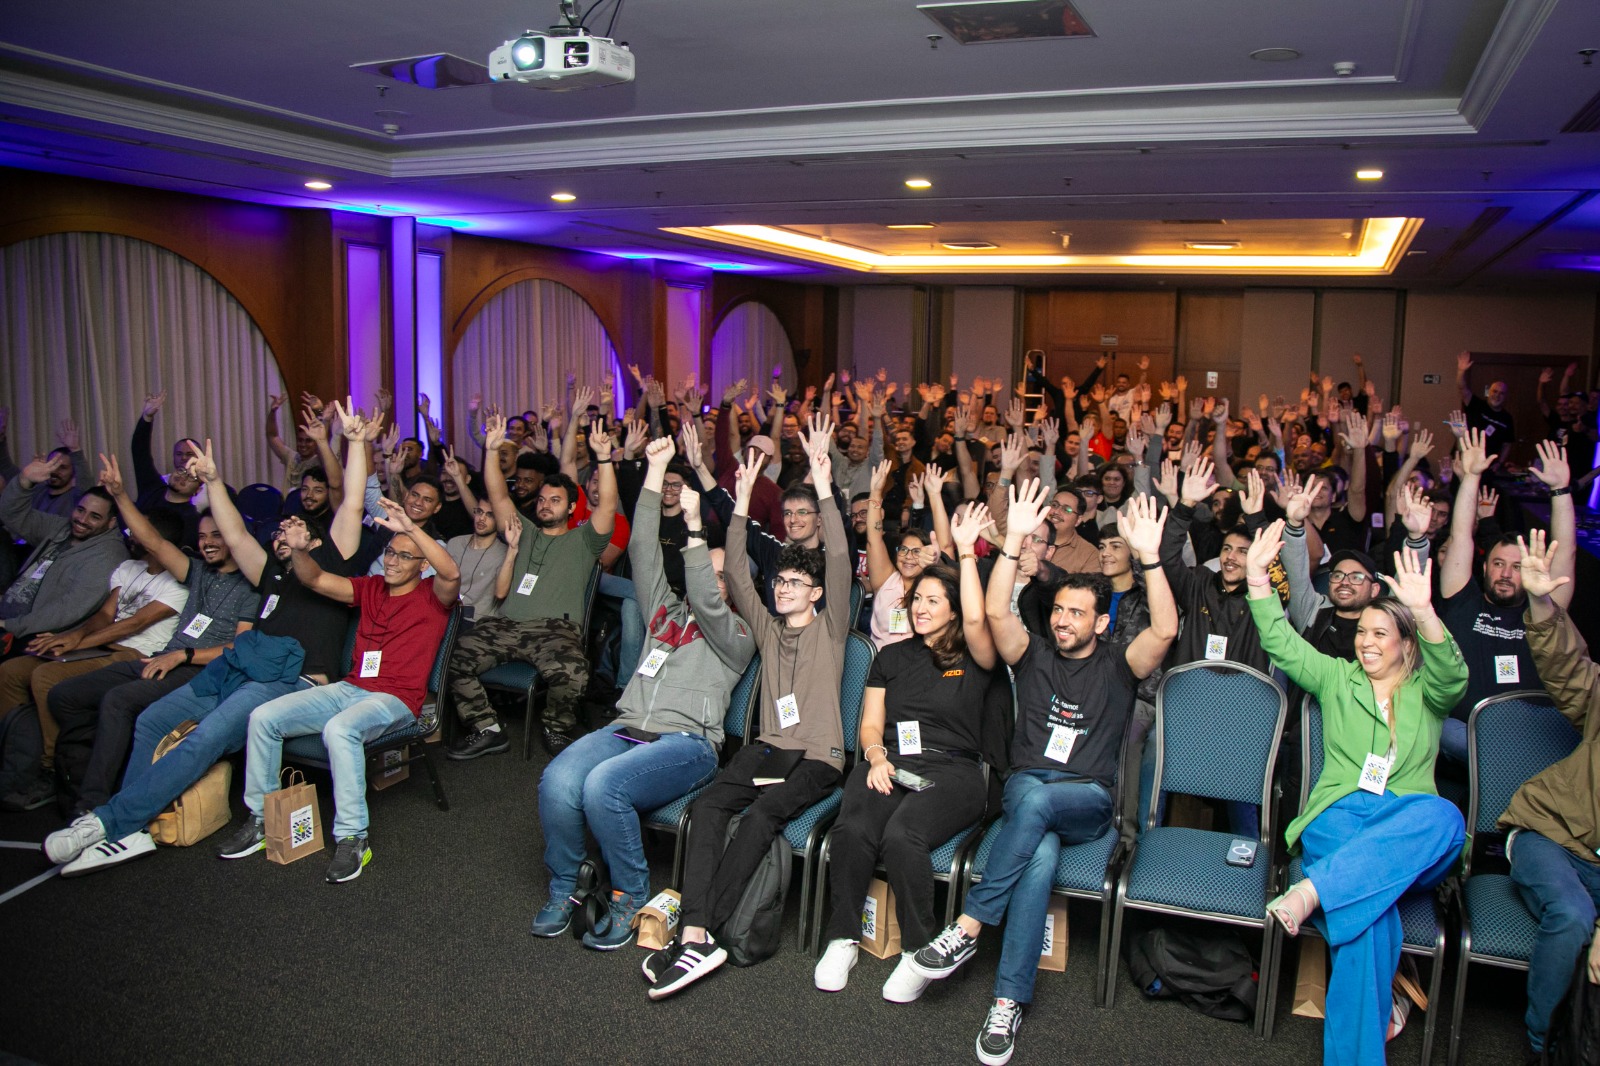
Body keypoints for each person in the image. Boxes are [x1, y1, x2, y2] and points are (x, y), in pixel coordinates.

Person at [910, 484, 1177, 1066]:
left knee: (1030, 803)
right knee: (1037, 857)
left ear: (1101, 623)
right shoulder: (1031, 655)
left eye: (1076, 613)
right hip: (1032, 800)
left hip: (1087, 802)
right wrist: (1008, 544)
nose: (1062, 620)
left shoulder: (1117, 664)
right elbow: (998, 611)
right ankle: (1007, 1002)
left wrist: (1151, 559)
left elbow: (1163, 632)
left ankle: (970, 924)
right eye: (1058, 609)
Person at [43, 436, 359, 875]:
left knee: (207, 735)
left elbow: (353, 504)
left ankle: (108, 823)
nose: (285, 532)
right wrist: (212, 479)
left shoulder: (334, 570)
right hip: (237, 669)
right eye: (282, 530)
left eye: (296, 529)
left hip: (290, 680)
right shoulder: (270, 573)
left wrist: (356, 443)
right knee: (152, 718)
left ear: (319, 539)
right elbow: (233, 533)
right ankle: (130, 830)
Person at [1247, 520, 1468, 1066]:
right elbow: (1281, 642)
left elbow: (1455, 675)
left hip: (1406, 825)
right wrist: (1257, 580)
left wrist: (1425, 611)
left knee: (1445, 817)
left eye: (1379, 634)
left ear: (1404, 643)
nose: (1366, 643)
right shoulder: (1336, 677)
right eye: (1362, 633)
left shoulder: (1429, 691)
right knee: (1371, 919)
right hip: (1341, 818)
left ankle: (1315, 890)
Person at [645, 419, 849, 1001]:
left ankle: (702, 933)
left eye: (793, 584)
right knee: (710, 806)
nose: (783, 589)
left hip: (816, 756)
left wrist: (825, 484)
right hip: (766, 751)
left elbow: (835, 552)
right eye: (779, 582)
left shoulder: (832, 629)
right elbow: (736, 570)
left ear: (814, 592)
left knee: (761, 818)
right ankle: (693, 929)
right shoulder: (765, 628)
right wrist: (736, 511)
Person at [533, 438, 754, 949]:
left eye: (723, 575)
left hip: (687, 744)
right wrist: (654, 471)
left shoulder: (739, 635)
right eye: (708, 569)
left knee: (602, 787)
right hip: (626, 728)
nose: (711, 580)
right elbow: (641, 551)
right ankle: (565, 885)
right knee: (557, 781)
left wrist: (699, 533)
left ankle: (629, 893)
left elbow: (704, 595)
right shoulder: (664, 615)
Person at [814, 502, 1002, 1003]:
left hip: (954, 770)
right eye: (918, 599)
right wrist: (875, 757)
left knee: (903, 834)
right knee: (853, 829)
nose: (920, 608)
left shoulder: (975, 655)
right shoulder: (892, 656)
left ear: (954, 609)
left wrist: (964, 552)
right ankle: (842, 937)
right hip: (891, 760)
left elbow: (980, 613)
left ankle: (919, 950)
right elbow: (870, 723)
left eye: (934, 601)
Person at [215, 496, 458, 883]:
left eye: (404, 556)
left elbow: (451, 574)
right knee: (263, 717)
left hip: (395, 699)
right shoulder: (370, 587)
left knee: (339, 730)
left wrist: (411, 528)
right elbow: (313, 579)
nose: (392, 561)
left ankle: (352, 836)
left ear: (422, 565)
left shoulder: (433, 597)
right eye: (390, 553)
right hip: (351, 688)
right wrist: (297, 550)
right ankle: (261, 819)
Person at [47, 454, 258, 814]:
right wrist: (119, 495)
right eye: (203, 536)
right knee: (64, 695)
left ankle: (93, 806)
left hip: (199, 670)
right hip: (163, 659)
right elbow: (153, 541)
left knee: (118, 700)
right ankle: (92, 775)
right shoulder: (197, 572)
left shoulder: (252, 586)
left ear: (235, 539)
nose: (207, 542)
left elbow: (239, 648)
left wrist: (185, 656)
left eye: (217, 536)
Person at [446, 411, 613, 758]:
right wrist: (491, 450)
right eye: (542, 499)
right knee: (455, 656)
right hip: (505, 626)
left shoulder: (585, 541)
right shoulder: (522, 531)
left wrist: (604, 457)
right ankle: (487, 727)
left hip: (555, 631)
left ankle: (555, 726)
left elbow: (608, 504)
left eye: (555, 501)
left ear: (570, 508)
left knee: (575, 673)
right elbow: (496, 493)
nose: (545, 505)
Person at [0, 511, 183, 812]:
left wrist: (78, 643)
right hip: (102, 644)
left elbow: (132, 625)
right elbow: (104, 615)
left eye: (137, 531)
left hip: (134, 654)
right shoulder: (129, 567)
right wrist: (72, 638)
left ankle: (52, 768)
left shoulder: (177, 582)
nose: (130, 535)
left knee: (45, 676)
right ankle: (15, 762)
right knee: (12, 670)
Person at [1497, 530, 1600, 1060]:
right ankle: (1543, 1043)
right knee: (1574, 915)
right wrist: (1540, 600)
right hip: (1551, 835)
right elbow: (1566, 671)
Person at [1435, 435, 1572, 764]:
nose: (1507, 574)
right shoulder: (1463, 600)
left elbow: (1566, 551)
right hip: (1466, 737)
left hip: (1534, 736)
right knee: (1439, 728)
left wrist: (1561, 491)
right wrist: (1470, 476)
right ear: (1485, 567)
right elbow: (1461, 537)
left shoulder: (1542, 610)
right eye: (1499, 564)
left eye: (1517, 567)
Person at [0, 458, 126, 660]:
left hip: (36, 634)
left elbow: (67, 610)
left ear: (111, 523)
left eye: (95, 516)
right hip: (8, 617)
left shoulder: (108, 555)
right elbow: (12, 515)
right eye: (80, 510)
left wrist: (9, 625)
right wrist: (24, 481)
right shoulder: (61, 527)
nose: (82, 520)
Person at [863, 463, 947, 650]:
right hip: (880, 668)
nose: (908, 557)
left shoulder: (934, 587)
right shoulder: (886, 580)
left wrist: (934, 496)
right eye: (904, 550)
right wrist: (876, 493)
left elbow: (946, 546)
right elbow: (873, 539)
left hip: (917, 668)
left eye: (917, 551)